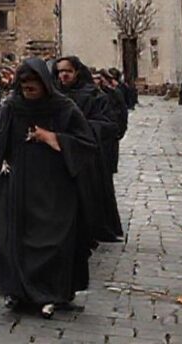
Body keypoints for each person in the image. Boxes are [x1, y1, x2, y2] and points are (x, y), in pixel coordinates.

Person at [0, 57, 96, 319]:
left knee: (53, 240)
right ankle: (19, 291)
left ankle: (51, 294)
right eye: (23, 84)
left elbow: (85, 144)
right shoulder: (12, 107)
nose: (28, 89)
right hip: (18, 183)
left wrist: (52, 138)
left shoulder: (63, 108)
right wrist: (0, 160)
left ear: (45, 83)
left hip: (54, 187)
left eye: (33, 83)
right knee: (12, 237)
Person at [54, 57, 123, 243]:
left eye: (67, 70)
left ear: (76, 71)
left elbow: (109, 124)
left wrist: (81, 127)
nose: (64, 75)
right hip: (59, 153)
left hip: (86, 155)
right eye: (60, 71)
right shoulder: (53, 95)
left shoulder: (94, 95)